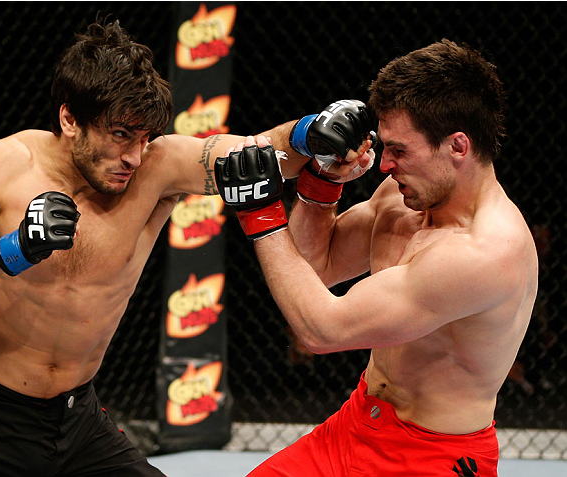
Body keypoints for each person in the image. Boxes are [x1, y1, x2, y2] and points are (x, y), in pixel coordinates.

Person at [0, 20, 314, 477]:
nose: (133, 155)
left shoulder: (157, 166)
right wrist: (13, 250)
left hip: (77, 418)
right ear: (70, 119)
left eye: (143, 136)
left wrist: (312, 133)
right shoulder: (2, 167)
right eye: (119, 135)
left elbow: (259, 154)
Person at [215, 39, 538, 476]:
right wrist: (322, 179)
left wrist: (261, 215)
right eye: (384, 146)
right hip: (354, 425)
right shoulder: (402, 197)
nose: (383, 165)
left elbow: (322, 331)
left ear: (458, 146)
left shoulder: (483, 253)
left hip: (432, 458)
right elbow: (317, 267)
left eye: (400, 150)